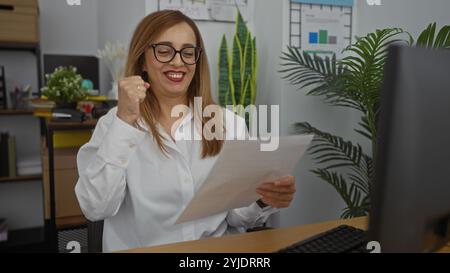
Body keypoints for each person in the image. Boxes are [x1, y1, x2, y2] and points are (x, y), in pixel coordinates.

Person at [75, 10, 296, 252]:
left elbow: (236, 217)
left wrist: (264, 199)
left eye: (188, 52)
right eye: (164, 50)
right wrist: (126, 121)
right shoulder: (114, 125)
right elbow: (95, 207)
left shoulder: (229, 124)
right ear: (142, 60)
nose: (178, 61)